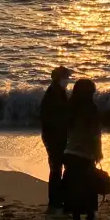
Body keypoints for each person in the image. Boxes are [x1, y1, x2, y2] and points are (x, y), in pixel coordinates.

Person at [62, 78, 103, 220]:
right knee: (89, 189)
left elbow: (66, 131)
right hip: (85, 154)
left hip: (70, 152)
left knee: (74, 188)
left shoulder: (71, 107)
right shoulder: (92, 109)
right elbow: (95, 134)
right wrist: (98, 153)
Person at [40, 66, 72, 212]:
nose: (68, 80)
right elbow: (54, 116)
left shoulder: (56, 91)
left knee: (57, 166)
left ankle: (57, 199)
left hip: (53, 134)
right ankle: (55, 201)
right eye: (66, 77)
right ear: (60, 78)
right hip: (54, 135)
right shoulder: (55, 93)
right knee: (56, 167)